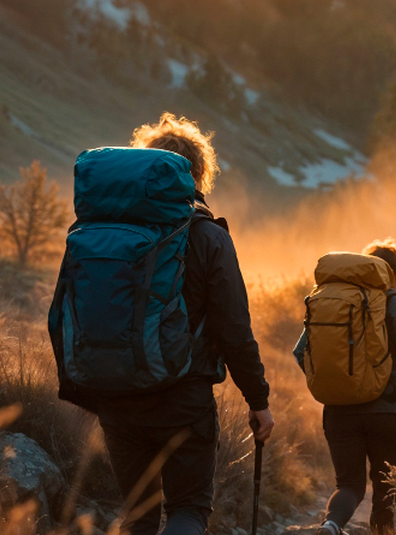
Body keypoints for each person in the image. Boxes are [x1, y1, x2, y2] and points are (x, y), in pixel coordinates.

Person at [64, 113, 275, 535]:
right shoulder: (208, 236)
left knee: (138, 515)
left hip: (115, 394)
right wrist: (258, 400)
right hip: (183, 397)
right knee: (189, 509)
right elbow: (234, 328)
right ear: (198, 173)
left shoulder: (102, 230)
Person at [316, 240, 396, 535]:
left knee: (348, 485)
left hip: (338, 410)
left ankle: (332, 524)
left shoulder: (333, 301)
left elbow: (303, 353)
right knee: (387, 487)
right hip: (386, 411)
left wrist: (340, 383)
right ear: (395, 276)